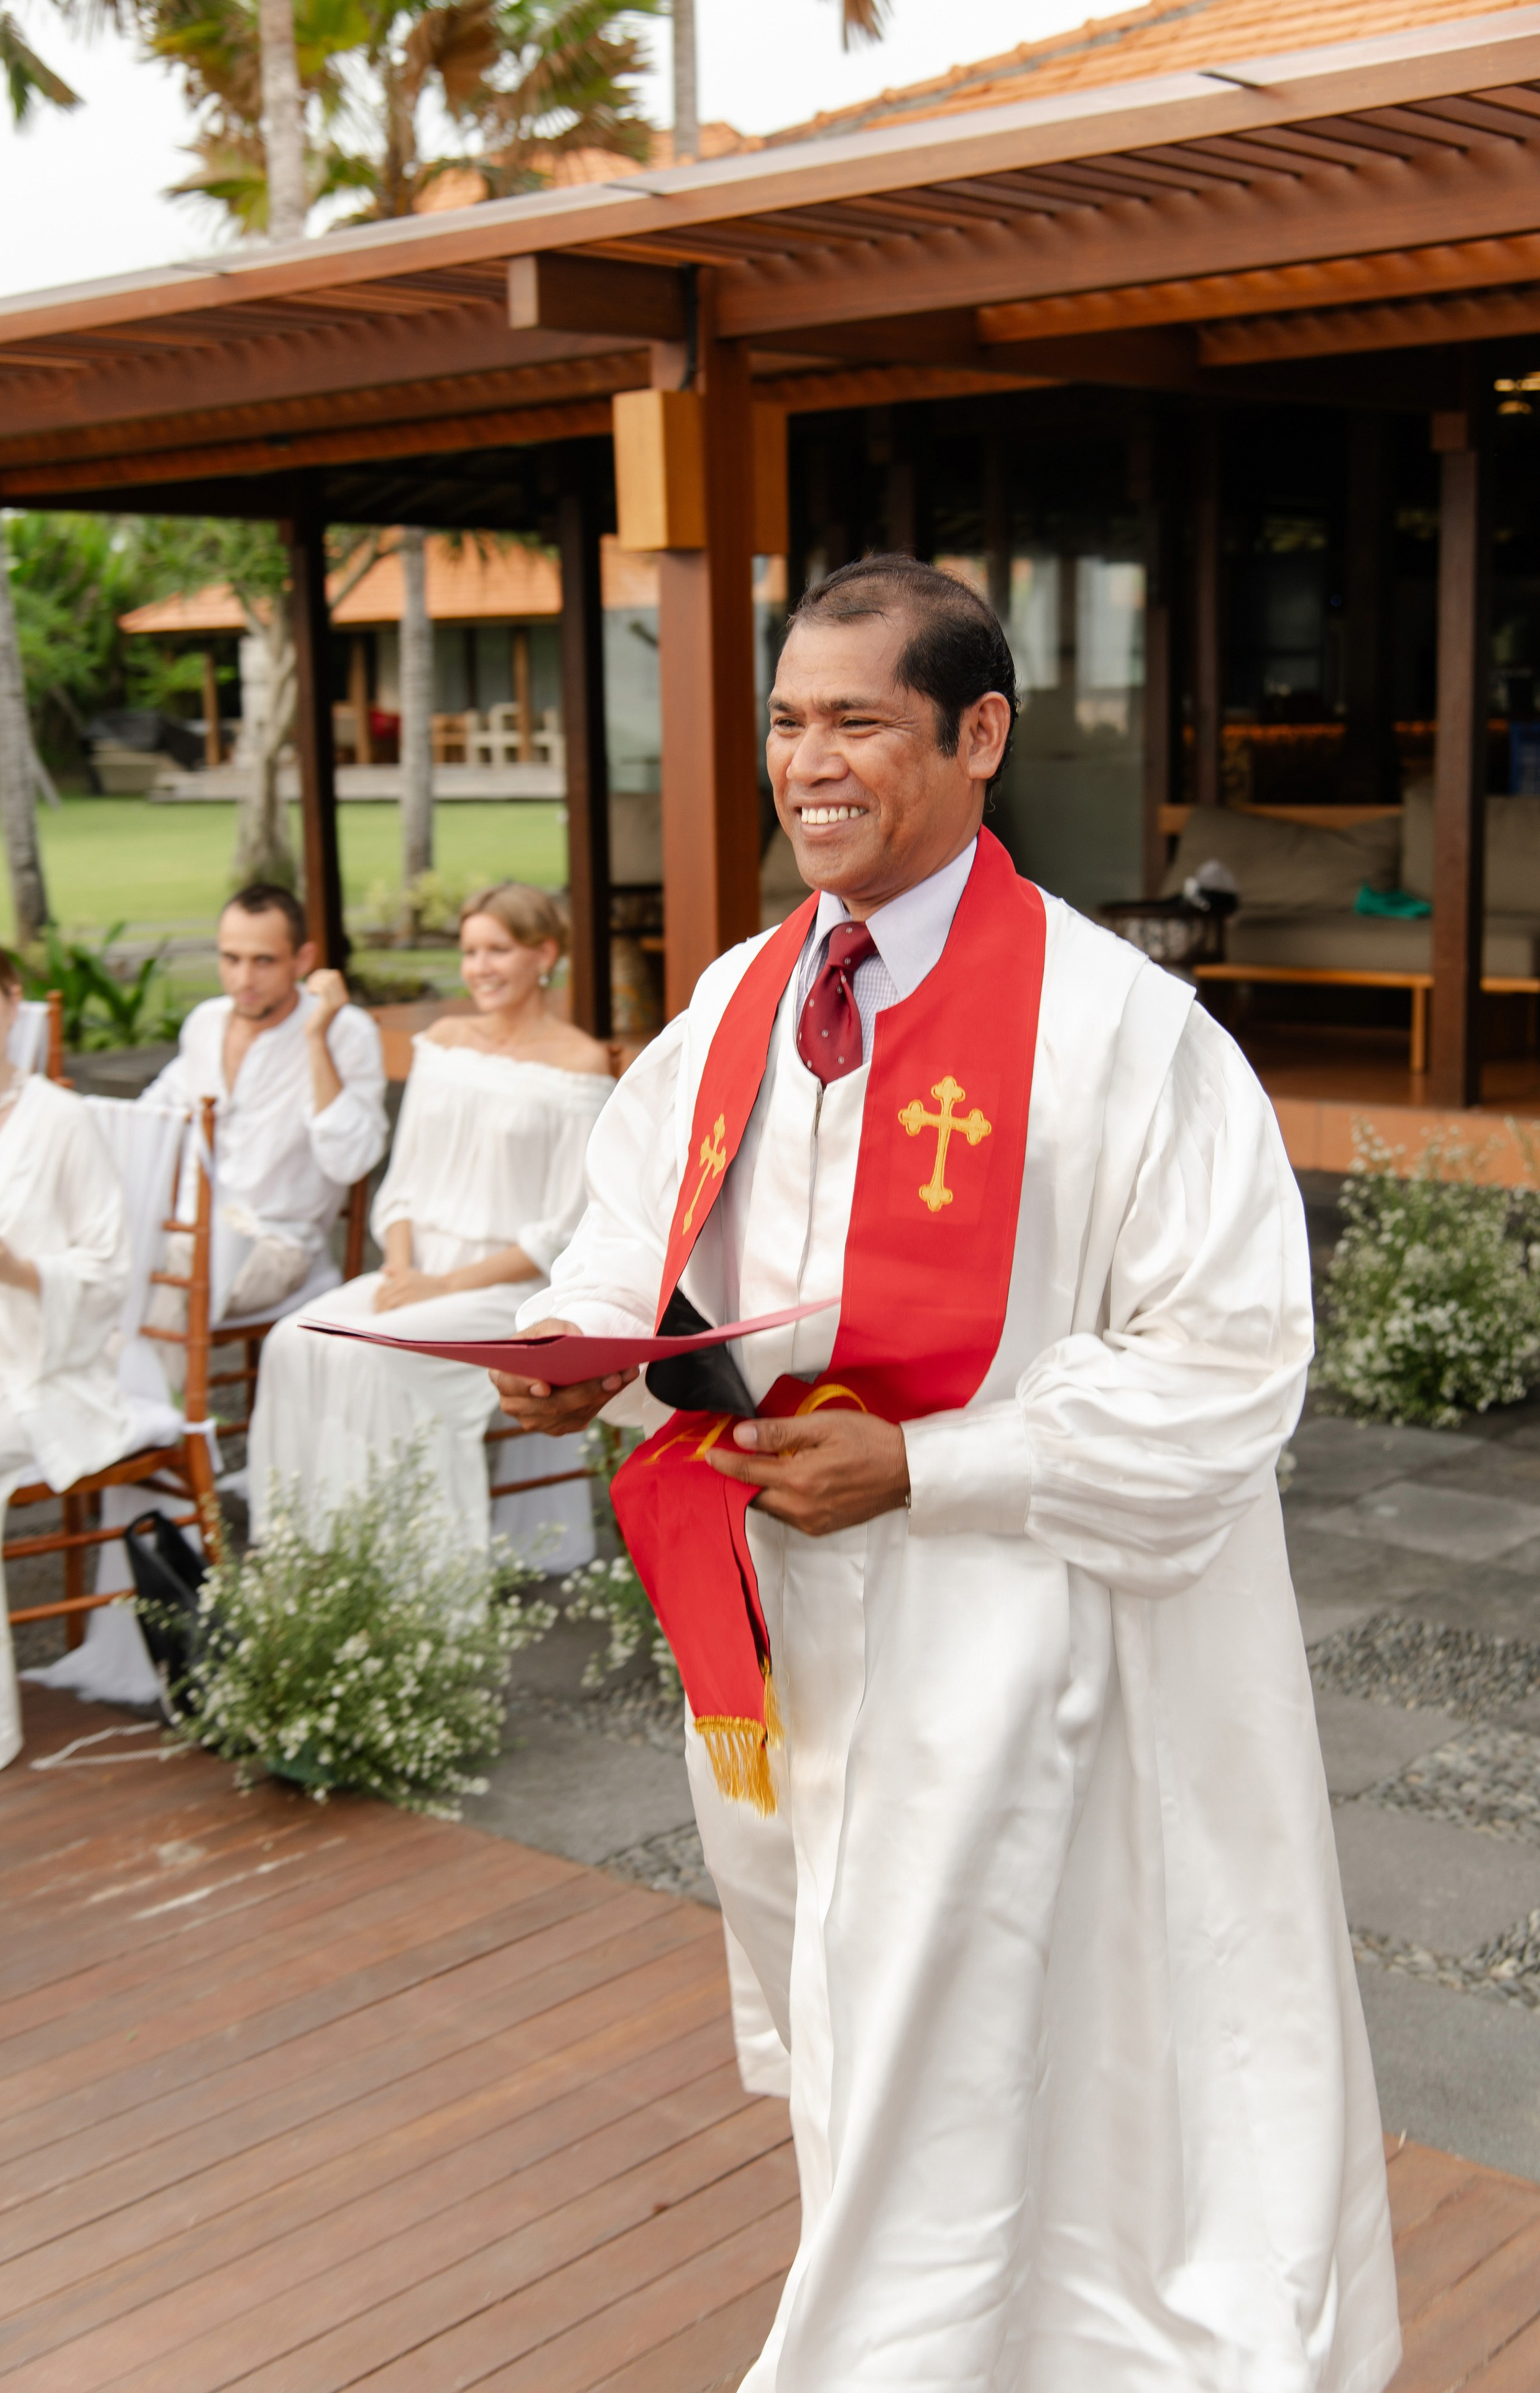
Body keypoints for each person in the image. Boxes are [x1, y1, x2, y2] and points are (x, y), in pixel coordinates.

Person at [495, 558, 1399, 2392]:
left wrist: (932, 1462)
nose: (805, 763)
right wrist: (563, 1346)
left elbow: (1226, 1367)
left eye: (857, 721)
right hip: (782, 1619)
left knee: (962, 2033)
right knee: (873, 2038)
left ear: (979, 734)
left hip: (1008, 1624)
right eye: (785, 721)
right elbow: (626, 1230)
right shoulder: (744, 996)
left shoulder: (1116, 1030)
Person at [249, 884, 612, 1558]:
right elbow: (405, 1184)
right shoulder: (442, 1043)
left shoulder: (579, 1062)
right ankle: (307, 1556)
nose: (479, 968)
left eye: (497, 950)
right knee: (291, 1340)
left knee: (370, 1356)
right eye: (470, 952)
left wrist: (443, 1287)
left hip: (508, 1290)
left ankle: (408, 1570)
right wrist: (402, 1271)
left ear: (544, 955)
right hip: (414, 1270)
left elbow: (564, 1229)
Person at [0, 926, 132, 1786]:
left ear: (13, 1000)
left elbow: (110, 1274)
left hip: (41, 1367)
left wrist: (7, 1267)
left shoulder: (61, 1120)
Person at [142, 882, 387, 1347]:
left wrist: (316, 1039)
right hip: (186, 1231)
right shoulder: (206, 1023)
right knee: (104, 1256)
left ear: (303, 959)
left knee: (160, 1273)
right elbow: (152, 1115)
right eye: (231, 959)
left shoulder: (345, 1032)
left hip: (278, 1246)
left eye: (264, 961)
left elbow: (350, 1161)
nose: (243, 979)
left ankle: (152, 1396)